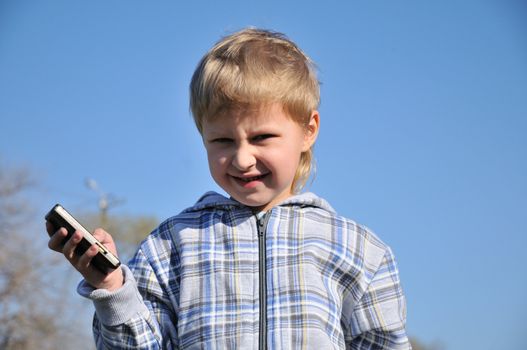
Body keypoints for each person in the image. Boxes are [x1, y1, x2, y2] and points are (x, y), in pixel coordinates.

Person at [48, 28, 410, 349]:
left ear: (308, 129)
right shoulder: (171, 245)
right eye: (222, 140)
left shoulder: (359, 250)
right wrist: (113, 290)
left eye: (261, 137)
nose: (241, 159)